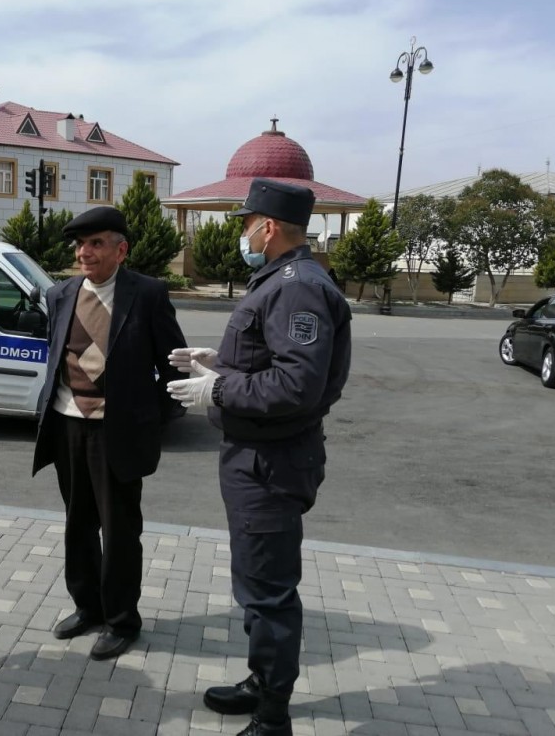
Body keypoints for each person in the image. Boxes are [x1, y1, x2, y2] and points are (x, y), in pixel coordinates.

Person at [167, 179, 352, 736]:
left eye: (247, 223)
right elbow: (269, 360)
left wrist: (217, 391)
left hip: (271, 462)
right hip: (258, 457)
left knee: (267, 592)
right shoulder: (281, 280)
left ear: (267, 227)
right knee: (255, 582)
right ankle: (260, 681)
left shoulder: (296, 287)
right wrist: (219, 363)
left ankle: (273, 717)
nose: (244, 232)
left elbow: (296, 385)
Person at [32, 206, 187, 661]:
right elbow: (57, 356)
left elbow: (175, 367)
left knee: (119, 532)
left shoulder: (147, 295)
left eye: (96, 243)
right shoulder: (60, 294)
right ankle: (88, 607)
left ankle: (122, 621)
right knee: (77, 525)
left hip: (117, 434)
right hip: (68, 426)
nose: (85, 252)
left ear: (121, 249)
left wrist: (149, 416)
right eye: (80, 244)